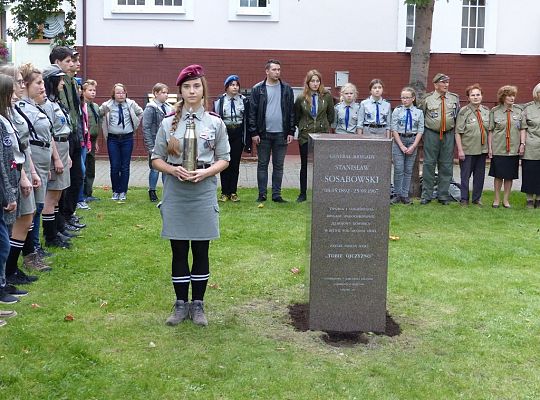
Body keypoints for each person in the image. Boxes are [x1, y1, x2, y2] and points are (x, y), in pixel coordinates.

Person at [151, 64, 230, 327]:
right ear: (180, 92)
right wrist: (173, 170)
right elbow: (155, 159)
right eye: (187, 86)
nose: (192, 90)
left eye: (196, 86)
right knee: (178, 249)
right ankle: (180, 304)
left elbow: (224, 159)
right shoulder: (167, 123)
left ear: (203, 89)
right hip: (177, 190)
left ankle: (198, 304)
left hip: (203, 190)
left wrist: (206, 174)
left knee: (200, 248)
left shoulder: (215, 123)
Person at [248, 59, 295, 203]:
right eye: (274, 69)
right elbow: (252, 112)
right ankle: (262, 195)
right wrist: (254, 132)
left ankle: (276, 195)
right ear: (267, 71)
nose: (277, 72)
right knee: (262, 164)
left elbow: (291, 112)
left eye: (279, 70)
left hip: (281, 134)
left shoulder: (287, 89)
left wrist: (291, 131)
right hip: (263, 134)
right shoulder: (258, 89)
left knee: (279, 165)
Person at [40, 65, 73, 249]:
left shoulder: (55, 102)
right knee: (51, 196)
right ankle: (50, 236)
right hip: (56, 147)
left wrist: (65, 155)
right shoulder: (47, 105)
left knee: (58, 193)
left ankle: (57, 229)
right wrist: (57, 158)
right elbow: (50, 133)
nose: (62, 83)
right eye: (59, 80)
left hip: (63, 145)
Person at [419, 73, 460, 205]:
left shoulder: (454, 98)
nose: (446, 85)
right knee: (429, 164)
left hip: (448, 134)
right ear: (436, 85)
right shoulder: (427, 99)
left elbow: (456, 116)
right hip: (432, 134)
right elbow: (422, 115)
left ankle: (443, 195)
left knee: (446, 165)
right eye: (443, 82)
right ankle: (427, 195)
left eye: (447, 82)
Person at [0, 74, 23, 308]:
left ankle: (2, 283)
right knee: (4, 244)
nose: (16, 95)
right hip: (4, 190)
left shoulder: (4, 120)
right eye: (11, 92)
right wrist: (9, 193)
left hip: (8, 185)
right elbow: (2, 162)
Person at [294, 69, 334, 202]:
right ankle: (302, 193)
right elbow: (296, 117)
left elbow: (331, 116)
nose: (315, 84)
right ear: (308, 82)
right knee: (305, 165)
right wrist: (303, 127)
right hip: (306, 136)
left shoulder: (326, 96)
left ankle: (321, 193)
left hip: (321, 136)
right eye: (313, 81)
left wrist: (324, 126)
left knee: (321, 165)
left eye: (318, 81)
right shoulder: (301, 98)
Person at [100, 83, 143, 201]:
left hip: (127, 138)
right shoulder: (107, 105)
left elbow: (140, 112)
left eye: (123, 92)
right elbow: (99, 114)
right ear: (113, 94)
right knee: (114, 166)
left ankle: (123, 191)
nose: (121, 95)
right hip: (113, 139)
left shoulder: (131, 104)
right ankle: (115, 191)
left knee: (125, 166)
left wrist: (135, 124)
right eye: (118, 92)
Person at [214, 75, 250, 203]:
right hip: (225, 132)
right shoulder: (220, 101)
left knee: (235, 163)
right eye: (232, 85)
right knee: (224, 163)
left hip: (238, 132)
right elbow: (216, 119)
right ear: (227, 87)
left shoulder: (244, 100)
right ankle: (224, 192)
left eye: (237, 85)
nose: (235, 87)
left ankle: (233, 192)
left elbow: (247, 119)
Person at [488, 85, 524, 209]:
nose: (512, 98)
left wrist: (522, 144)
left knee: (509, 175)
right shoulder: (495, 111)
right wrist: (490, 148)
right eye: (509, 95)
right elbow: (491, 131)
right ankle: (496, 199)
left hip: (513, 149)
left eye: (513, 95)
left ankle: (506, 200)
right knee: (498, 175)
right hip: (499, 148)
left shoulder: (519, 111)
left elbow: (522, 129)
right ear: (503, 97)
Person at [455, 84, 489, 206]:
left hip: (482, 149)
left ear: (482, 96)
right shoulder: (464, 112)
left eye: (478, 95)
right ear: (468, 97)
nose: (476, 97)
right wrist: (460, 150)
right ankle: (464, 199)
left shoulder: (486, 111)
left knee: (479, 176)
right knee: (465, 176)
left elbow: (489, 131)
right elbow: (458, 132)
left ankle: (476, 198)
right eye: (473, 95)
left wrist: (490, 149)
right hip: (467, 149)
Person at [390, 87, 424, 205]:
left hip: (412, 140)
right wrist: (401, 145)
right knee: (399, 168)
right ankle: (397, 194)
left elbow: (420, 130)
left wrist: (414, 146)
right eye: (402, 98)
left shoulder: (418, 112)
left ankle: (405, 195)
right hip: (399, 140)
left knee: (408, 170)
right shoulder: (397, 111)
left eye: (407, 98)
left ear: (413, 98)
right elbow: (394, 128)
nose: (404, 100)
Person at [143, 83, 173, 202]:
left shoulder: (169, 107)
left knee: (167, 167)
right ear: (156, 93)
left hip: (168, 143)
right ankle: (152, 190)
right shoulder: (151, 108)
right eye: (163, 92)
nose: (166, 95)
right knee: (155, 168)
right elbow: (146, 128)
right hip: (155, 143)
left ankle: (167, 190)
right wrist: (150, 146)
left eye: (167, 93)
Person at [520, 84, 540, 208]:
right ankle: (529, 199)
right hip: (531, 145)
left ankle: (538, 199)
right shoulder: (527, 108)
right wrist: (522, 144)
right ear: (536, 93)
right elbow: (523, 127)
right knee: (529, 171)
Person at [81, 79, 101, 202]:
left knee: (91, 166)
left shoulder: (95, 106)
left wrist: (97, 141)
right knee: (83, 166)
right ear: (83, 92)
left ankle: (89, 192)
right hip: (84, 139)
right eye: (90, 90)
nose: (93, 93)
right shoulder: (82, 106)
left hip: (92, 139)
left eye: (94, 90)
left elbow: (96, 124)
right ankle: (82, 193)